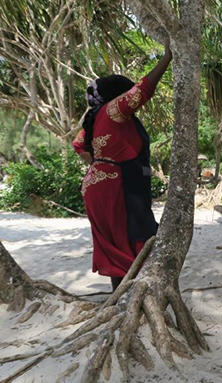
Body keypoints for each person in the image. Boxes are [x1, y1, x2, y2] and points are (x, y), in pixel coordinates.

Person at [72, 44, 172, 292]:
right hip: (115, 186)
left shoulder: (94, 117)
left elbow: (77, 143)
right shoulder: (113, 110)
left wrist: (99, 162)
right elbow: (144, 88)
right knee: (134, 235)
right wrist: (167, 57)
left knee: (113, 245)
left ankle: (120, 295)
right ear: (116, 94)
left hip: (95, 185)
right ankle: (135, 294)